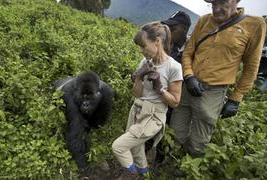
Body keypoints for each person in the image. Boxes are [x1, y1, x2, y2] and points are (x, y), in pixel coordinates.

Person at [170, 0, 266, 158]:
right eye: (213, 4)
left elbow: (251, 66)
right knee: (175, 132)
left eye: (222, 3)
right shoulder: (204, 20)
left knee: (199, 142)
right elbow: (188, 52)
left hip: (213, 92)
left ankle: (188, 169)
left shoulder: (255, 24)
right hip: (188, 86)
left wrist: (235, 98)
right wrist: (188, 75)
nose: (216, 9)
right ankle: (168, 164)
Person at [112, 22, 183, 179]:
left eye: (143, 46)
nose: (141, 50)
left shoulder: (174, 67)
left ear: (157, 42)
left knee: (118, 147)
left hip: (153, 116)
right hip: (137, 110)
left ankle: (130, 174)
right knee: (137, 150)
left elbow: (175, 102)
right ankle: (145, 175)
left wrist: (160, 88)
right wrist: (139, 76)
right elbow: (137, 94)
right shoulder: (145, 62)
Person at [144, 10, 191, 171]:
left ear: (184, 29)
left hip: (177, 98)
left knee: (168, 130)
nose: (168, 31)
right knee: (151, 126)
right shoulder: (167, 46)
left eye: (173, 28)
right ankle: (143, 155)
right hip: (160, 97)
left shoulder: (192, 50)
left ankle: (158, 162)